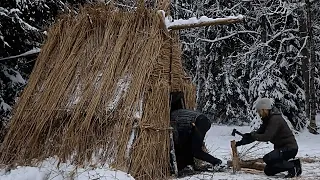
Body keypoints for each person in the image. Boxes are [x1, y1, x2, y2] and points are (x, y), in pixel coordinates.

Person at [236, 98, 302, 178]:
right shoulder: (267, 120)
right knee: (268, 170)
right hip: (281, 149)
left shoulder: (275, 119)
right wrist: (242, 141)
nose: (259, 113)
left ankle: (294, 166)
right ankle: (293, 166)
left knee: (268, 158)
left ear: (264, 109)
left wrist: (253, 135)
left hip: (289, 148)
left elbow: (267, 137)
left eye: (259, 111)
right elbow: (258, 134)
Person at [170, 108, 223, 175]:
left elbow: (179, 137)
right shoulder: (177, 113)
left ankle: (216, 162)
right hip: (203, 121)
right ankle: (189, 164)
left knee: (196, 151)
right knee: (190, 146)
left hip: (199, 122)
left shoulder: (173, 118)